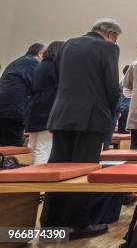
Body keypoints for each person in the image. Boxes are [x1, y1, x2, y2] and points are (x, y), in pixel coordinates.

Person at [41, 19, 122, 239]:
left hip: (62, 114)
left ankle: (50, 223)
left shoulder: (68, 44)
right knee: (83, 170)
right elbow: (112, 85)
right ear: (110, 34)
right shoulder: (108, 48)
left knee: (57, 169)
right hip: (91, 117)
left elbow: (57, 78)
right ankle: (76, 224)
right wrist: (114, 111)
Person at [25, 41, 64, 164]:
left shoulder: (41, 65)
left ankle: (26, 175)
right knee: (43, 148)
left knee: (32, 147)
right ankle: (36, 179)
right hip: (47, 111)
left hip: (34, 109)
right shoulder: (54, 67)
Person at [0, 43, 44, 146]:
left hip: (4, 107)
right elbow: (39, 86)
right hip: (13, 111)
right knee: (12, 145)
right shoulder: (34, 63)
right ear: (40, 54)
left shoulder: (18, 62)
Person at [103, 65, 130, 151]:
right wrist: (118, 110)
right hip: (125, 110)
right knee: (120, 133)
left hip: (121, 110)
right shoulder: (127, 83)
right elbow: (115, 95)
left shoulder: (121, 82)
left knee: (119, 132)